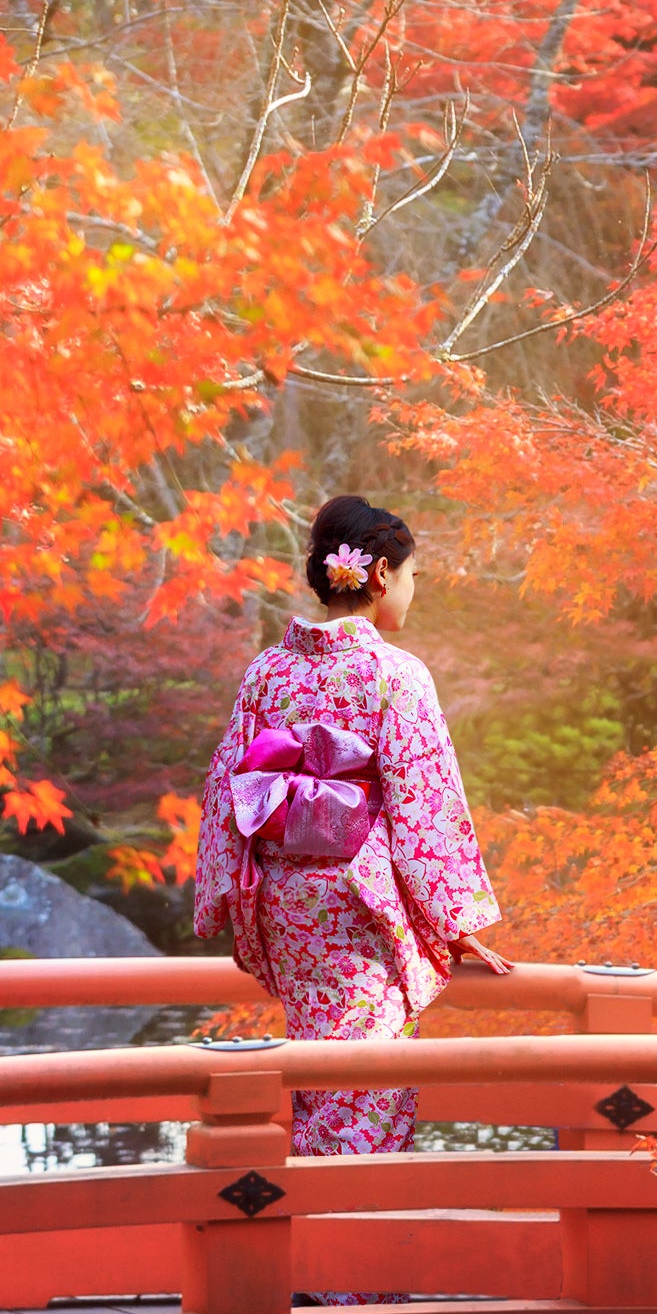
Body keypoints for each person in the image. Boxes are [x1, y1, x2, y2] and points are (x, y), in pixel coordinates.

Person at [193, 495, 505, 1157]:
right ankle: (340, 1233)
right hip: (360, 905)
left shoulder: (265, 672)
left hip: (286, 902)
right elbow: (426, 801)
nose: (413, 593)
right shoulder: (394, 674)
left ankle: (320, 1219)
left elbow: (226, 789)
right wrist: (455, 920)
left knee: (318, 1073)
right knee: (367, 1084)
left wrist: (225, 898)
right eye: (414, 577)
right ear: (383, 575)